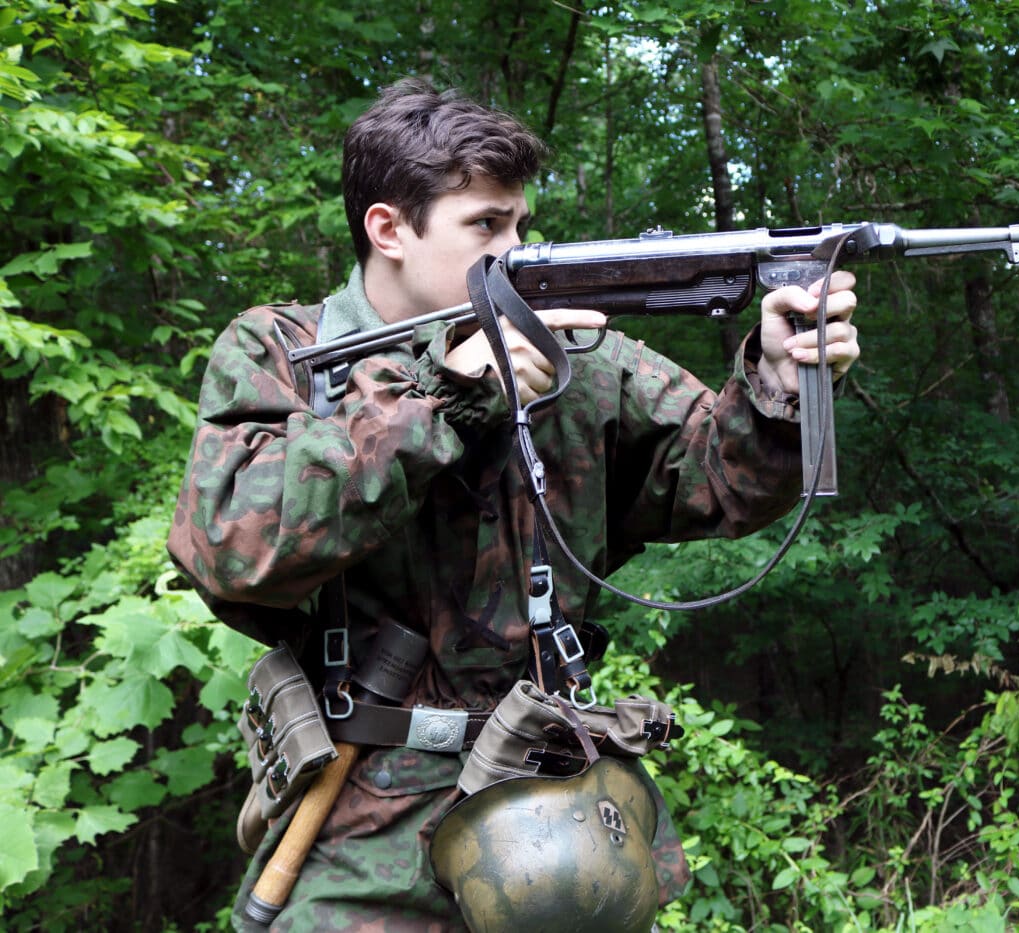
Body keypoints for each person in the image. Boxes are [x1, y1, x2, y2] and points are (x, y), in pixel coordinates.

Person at [167, 76, 860, 931]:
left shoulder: (572, 356)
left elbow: (714, 477)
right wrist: (439, 404)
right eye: (486, 226)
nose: (517, 249)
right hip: (360, 820)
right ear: (388, 228)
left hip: (554, 813)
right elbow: (229, 548)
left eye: (520, 223)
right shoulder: (289, 352)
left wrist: (777, 386)